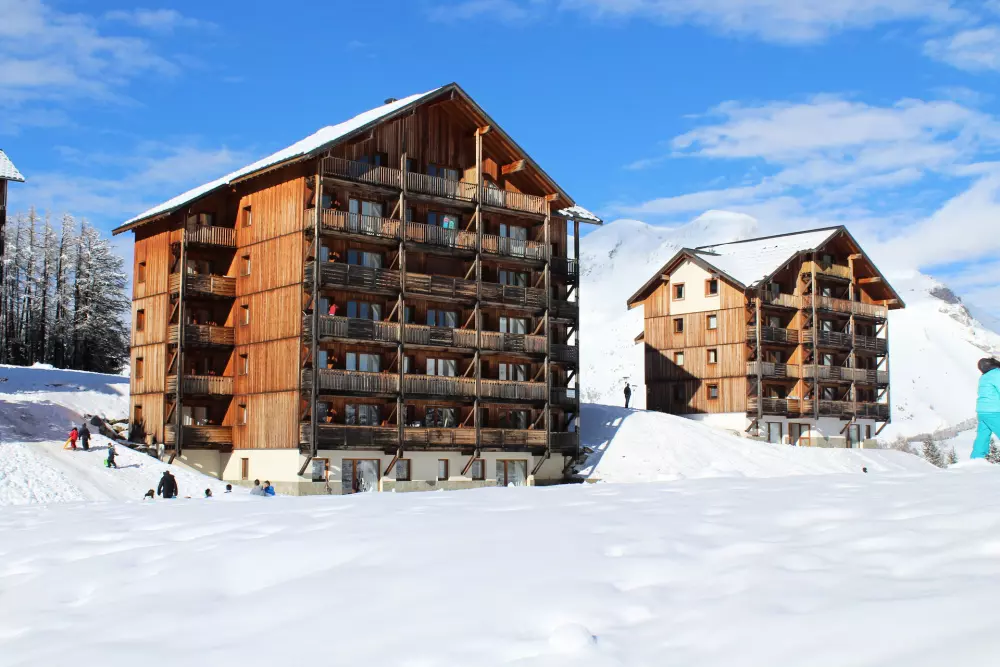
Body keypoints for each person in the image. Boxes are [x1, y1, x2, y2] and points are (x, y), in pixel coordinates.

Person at [972, 357, 1000, 459]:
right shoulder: (997, 373)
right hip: (994, 412)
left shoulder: (983, 377)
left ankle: (976, 460)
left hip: (982, 412)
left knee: (982, 438)